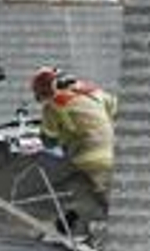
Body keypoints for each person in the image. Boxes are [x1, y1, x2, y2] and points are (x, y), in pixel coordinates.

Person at [30, 66, 118, 211]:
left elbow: (48, 141)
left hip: (86, 163)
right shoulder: (95, 93)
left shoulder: (53, 105)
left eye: (43, 94)